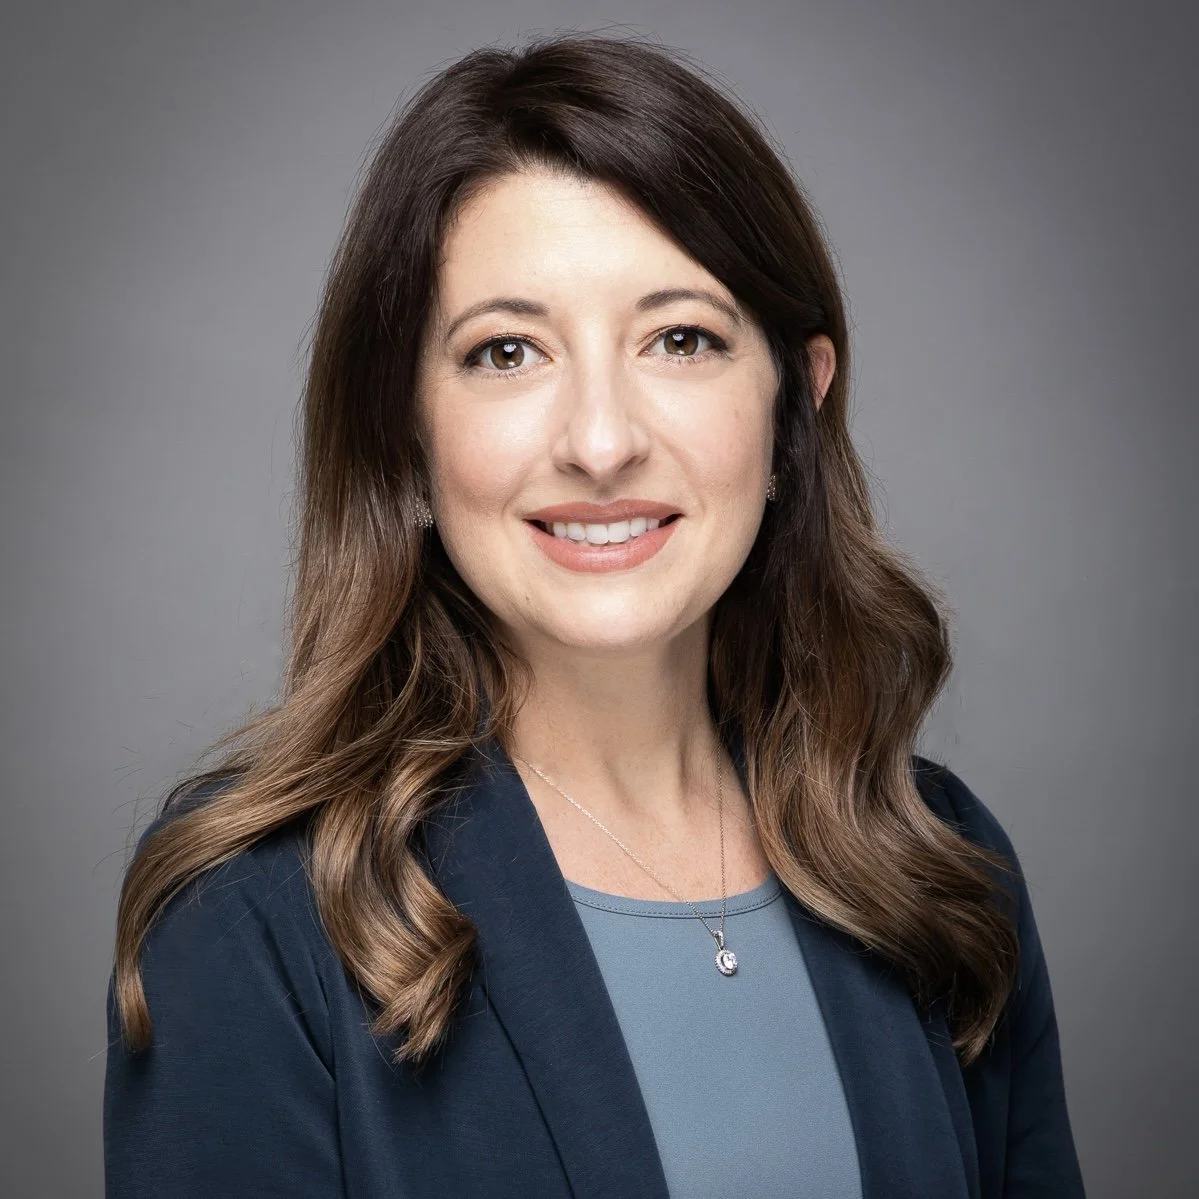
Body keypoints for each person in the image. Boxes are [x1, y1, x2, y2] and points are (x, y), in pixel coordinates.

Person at [103, 33, 1085, 1199]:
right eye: (506, 352)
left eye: (679, 339)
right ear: (403, 437)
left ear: (796, 402)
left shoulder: (939, 864)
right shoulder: (254, 915)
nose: (601, 440)